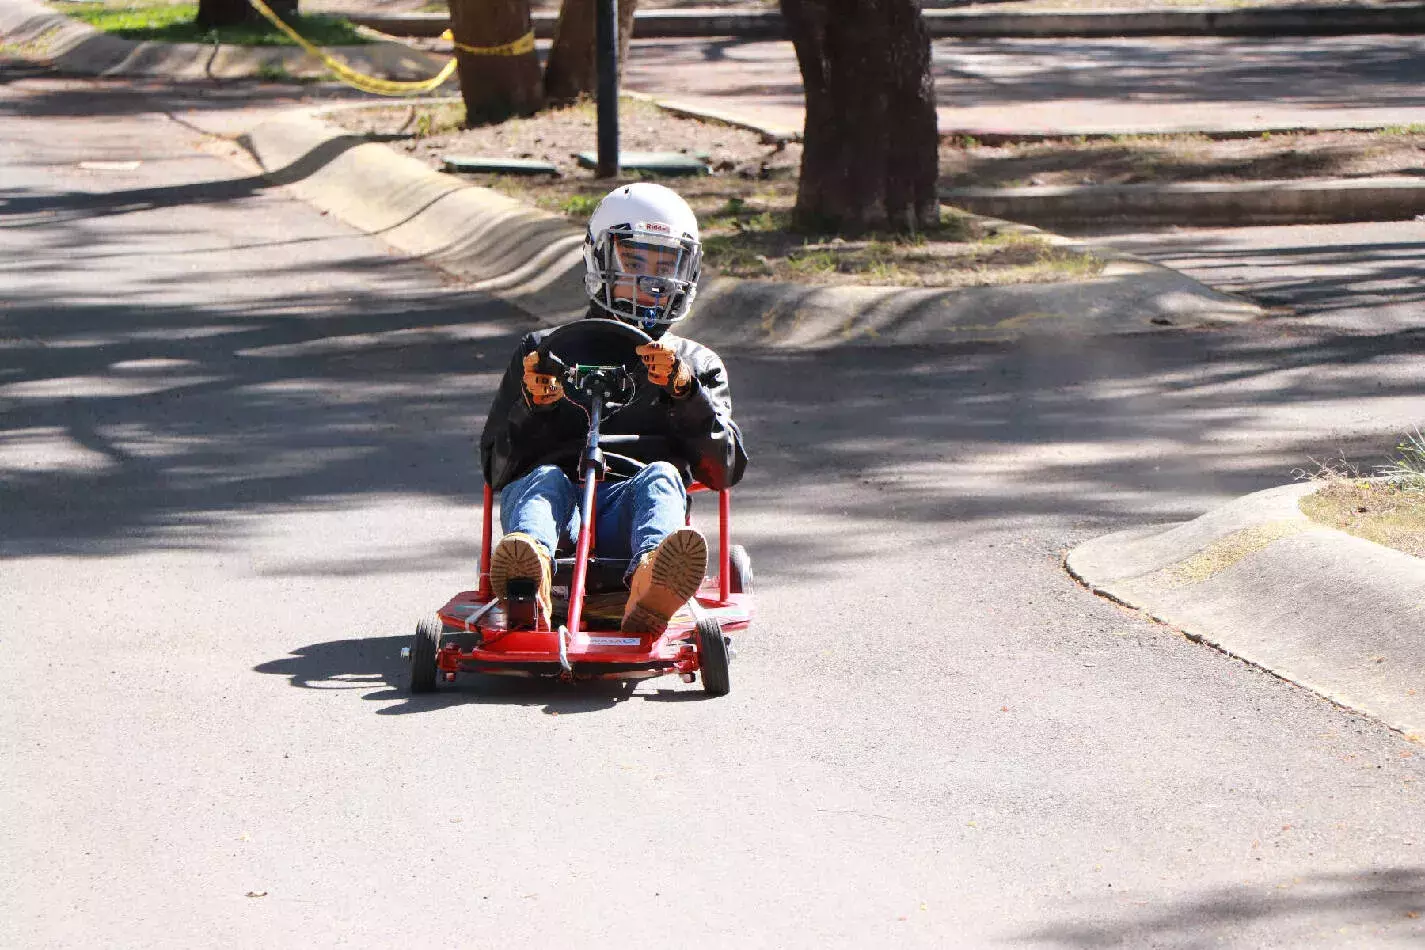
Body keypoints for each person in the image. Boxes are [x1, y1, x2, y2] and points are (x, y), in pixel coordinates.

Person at [479, 182, 748, 633]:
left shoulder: (697, 365)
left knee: (662, 476)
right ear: (601, 258)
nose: (654, 282)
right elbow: (495, 468)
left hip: (633, 513)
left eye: (667, 266)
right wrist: (532, 407)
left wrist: (685, 396)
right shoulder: (542, 353)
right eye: (636, 262)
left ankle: (651, 582)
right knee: (543, 479)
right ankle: (530, 575)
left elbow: (724, 470)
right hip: (558, 513)